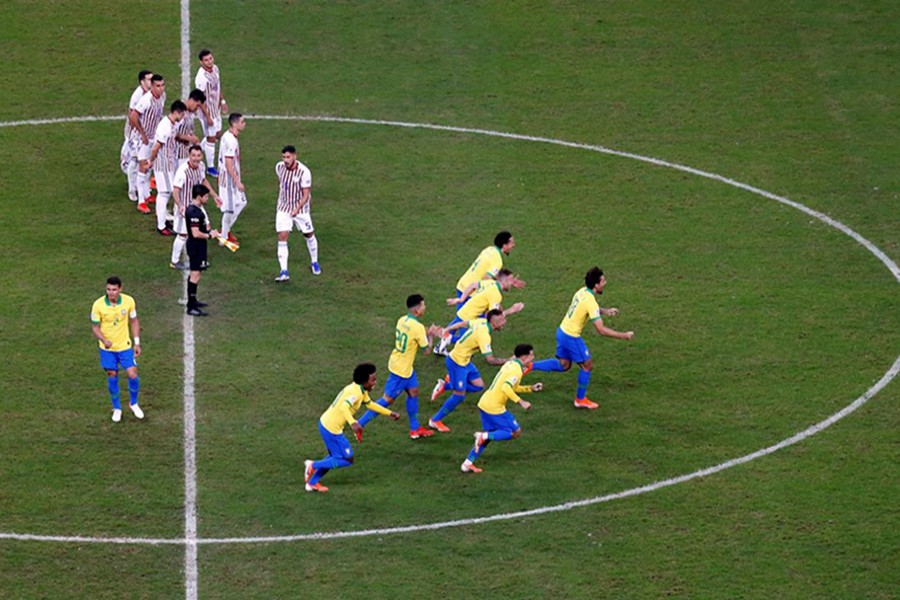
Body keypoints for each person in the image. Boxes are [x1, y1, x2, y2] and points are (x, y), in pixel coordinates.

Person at [529, 266, 634, 409]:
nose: (605, 283)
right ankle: (580, 399)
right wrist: (624, 336)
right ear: (596, 285)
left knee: (564, 365)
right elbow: (601, 330)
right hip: (571, 336)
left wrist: (605, 311)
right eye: (603, 280)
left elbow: (590, 308)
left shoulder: (582, 292)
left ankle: (529, 366)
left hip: (562, 331)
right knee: (587, 366)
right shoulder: (590, 300)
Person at [356, 295, 443, 439]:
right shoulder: (418, 327)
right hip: (401, 371)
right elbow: (427, 350)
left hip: (403, 366)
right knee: (387, 400)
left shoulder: (402, 320)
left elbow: (414, 334)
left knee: (413, 392)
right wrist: (432, 335)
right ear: (417, 310)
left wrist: (426, 332)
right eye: (423, 305)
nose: (425, 307)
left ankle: (415, 429)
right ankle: (360, 424)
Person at [304, 363, 400, 493]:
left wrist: (389, 413)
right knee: (347, 459)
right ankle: (313, 465)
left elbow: (370, 404)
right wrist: (353, 423)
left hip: (327, 424)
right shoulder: (355, 393)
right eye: (373, 380)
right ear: (364, 381)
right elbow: (344, 407)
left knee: (335, 456)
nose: (375, 383)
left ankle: (312, 483)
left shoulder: (360, 389)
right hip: (331, 429)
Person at [434, 231, 523, 354]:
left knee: (461, 319)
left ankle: (441, 344)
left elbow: (491, 272)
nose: (514, 245)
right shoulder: (497, 261)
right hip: (472, 292)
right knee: (472, 328)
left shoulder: (490, 249)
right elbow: (488, 277)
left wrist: (507, 281)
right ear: (504, 244)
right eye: (511, 242)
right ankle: (450, 344)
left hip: (464, 284)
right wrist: (506, 304)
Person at [461, 343, 543, 473]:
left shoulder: (510, 364)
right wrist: (521, 402)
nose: (533, 357)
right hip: (494, 407)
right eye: (531, 355)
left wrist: (530, 388)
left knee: (490, 436)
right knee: (515, 431)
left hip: (485, 403)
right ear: (525, 357)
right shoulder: (516, 370)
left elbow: (513, 387)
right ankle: (483, 436)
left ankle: (467, 463)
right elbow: (506, 388)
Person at [428, 309, 511, 433]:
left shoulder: (481, 321)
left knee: (479, 386)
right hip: (456, 363)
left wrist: (446, 329)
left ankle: (445, 386)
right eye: (502, 321)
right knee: (458, 396)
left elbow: (462, 324)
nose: (504, 322)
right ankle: (435, 420)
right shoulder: (484, 336)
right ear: (494, 324)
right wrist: (509, 360)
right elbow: (490, 360)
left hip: (465, 361)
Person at [90, 276, 144, 422]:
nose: (111, 293)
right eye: (108, 289)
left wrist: (137, 342)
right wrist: (103, 339)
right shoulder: (98, 305)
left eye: (114, 290)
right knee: (112, 374)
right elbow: (95, 327)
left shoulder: (129, 301)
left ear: (120, 289)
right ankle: (117, 408)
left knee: (132, 374)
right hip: (107, 349)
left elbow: (134, 321)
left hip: (124, 346)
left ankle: (134, 403)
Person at [274, 145, 320, 281]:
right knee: (282, 236)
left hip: (301, 210)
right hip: (283, 208)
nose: (285, 160)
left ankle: (314, 261)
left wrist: (297, 209)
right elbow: (281, 182)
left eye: (288, 157)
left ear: (295, 156)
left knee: (308, 234)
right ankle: (284, 271)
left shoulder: (304, 172)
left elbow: (306, 194)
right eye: (283, 157)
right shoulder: (279, 167)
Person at [170, 145, 220, 269]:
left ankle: (199, 259)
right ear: (189, 156)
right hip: (185, 208)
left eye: (198, 155)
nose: (196, 158)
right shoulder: (183, 171)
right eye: (193, 156)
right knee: (183, 234)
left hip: (197, 205)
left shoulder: (201, 166)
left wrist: (214, 195)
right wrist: (180, 205)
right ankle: (174, 261)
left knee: (204, 229)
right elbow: (175, 191)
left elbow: (203, 181)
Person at [129, 73, 167, 214]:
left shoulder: (162, 97)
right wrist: (142, 134)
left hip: (153, 137)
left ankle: (146, 194)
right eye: (158, 86)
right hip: (142, 138)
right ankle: (141, 202)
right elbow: (133, 116)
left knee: (149, 166)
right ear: (151, 86)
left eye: (163, 85)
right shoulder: (146, 100)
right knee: (143, 167)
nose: (161, 88)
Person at [148, 100, 186, 235]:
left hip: (169, 163)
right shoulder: (165, 127)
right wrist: (150, 161)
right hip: (162, 164)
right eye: (182, 115)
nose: (182, 118)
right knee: (164, 193)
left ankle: (162, 219)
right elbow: (156, 147)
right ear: (176, 112)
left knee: (167, 192)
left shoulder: (172, 123)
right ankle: (161, 225)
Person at [185, 184, 220, 316]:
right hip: (196, 246)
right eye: (205, 196)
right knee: (195, 274)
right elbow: (195, 233)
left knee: (196, 273)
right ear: (199, 197)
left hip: (198, 246)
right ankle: (191, 306)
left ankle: (193, 301)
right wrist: (209, 235)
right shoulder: (194, 212)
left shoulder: (196, 209)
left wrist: (211, 231)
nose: (207, 198)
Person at [121, 70, 153, 202]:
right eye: (149, 79)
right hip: (135, 133)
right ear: (142, 82)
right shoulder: (137, 95)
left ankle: (145, 191)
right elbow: (131, 116)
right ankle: (132, 190)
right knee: (134, 161)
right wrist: (137, 134)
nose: (152, 81)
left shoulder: (152, 94)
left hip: (146, 132)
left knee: (147, 160)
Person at [194, 48, 228, 176]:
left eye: (210, 59)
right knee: (212, 138)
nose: (209, 62)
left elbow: (218, 86)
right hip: (206, 112)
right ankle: (210, 167)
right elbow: (199, 99)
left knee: (217, 134)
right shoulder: (201, 78)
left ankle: (197, 150)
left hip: (216, 109)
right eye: (206, 60)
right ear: (201, 62)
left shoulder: (216, 69)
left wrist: (222, 101)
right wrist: (207, 116)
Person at [218, 113, 246, 245]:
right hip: (229, 180)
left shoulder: (227, 135)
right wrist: (237, 181)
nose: (244, 124)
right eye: (242, 121)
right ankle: (223, 238)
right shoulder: (231, 141)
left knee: (241, 202)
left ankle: (225, 230)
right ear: (235, 124)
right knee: (229, 209)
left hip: (229, 178)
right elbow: (228, 162)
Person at [174, 89, 207, 166]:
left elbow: (187, 130)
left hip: (186, 152)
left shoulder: (190, 113)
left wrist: (193, 138)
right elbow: (173, 132)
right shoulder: (180, 112)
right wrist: (189, 138)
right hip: (177, 155)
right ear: (192, 100)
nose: (197, 108)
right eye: (197, 105)